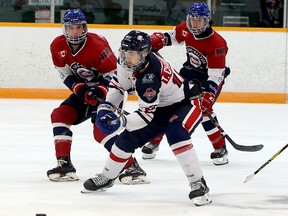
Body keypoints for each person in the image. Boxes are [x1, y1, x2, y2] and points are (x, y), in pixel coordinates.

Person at [82, 30, 212, 206]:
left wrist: (120, 120)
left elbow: (144, 116)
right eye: (125, 52)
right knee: (126, 139)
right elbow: (119, 85)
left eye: (133, 54)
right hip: (159, 107)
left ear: (144, 54)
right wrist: (107, 107)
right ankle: (107, 177)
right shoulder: (126, 61)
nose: (127, 57)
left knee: (176, 133)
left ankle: (198, 183)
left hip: (184, 104)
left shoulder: (149, 77)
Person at [47, 8, 148, 184]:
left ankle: (132, 166)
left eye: (78, 27)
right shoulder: (57, 45)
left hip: (109, 92)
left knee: (101, 131)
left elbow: (116, 74)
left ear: (84, 27)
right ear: (65, 29)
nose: (75, 31)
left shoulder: (97, 45)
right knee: (59, 115)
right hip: (84, 92)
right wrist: (79, 89)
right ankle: (64, 165)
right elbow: (64, 73)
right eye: (71, 28)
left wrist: (101, 90)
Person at [141, 2, 230, 166]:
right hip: (189, 72)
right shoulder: (186, 29)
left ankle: (220, 147)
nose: (195, 24)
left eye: (199, 20)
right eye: (193, 20)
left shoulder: (217, 43)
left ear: (208, 20)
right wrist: (154, 41)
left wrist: (208, 95)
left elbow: (216, 74)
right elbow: (170, 37)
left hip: (208, 78)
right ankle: (154, 141)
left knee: (204, 110)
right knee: (167, 102)